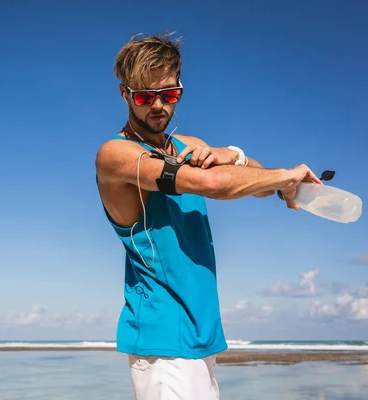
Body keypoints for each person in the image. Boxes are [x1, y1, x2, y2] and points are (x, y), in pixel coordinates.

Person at [94, 33, 322, 400]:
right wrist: (285, 175)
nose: (158, 106)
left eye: (168, 94)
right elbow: (213, 183)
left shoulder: (191, 146)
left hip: (202, 332)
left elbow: (257, 184)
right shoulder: (117, 155)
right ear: (125, 94)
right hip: (162, 337)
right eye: (144, 96)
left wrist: (237, 155)